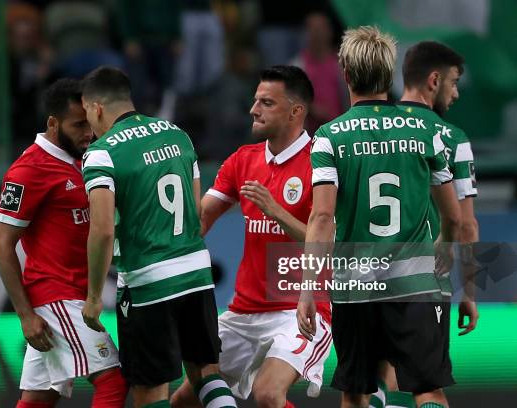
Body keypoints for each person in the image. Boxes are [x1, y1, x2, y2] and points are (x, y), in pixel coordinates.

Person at [298, 26, 462, 408]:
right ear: (391, 76)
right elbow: (452, 216)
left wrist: (307, 289)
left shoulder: (329, 136)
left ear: (346, 75)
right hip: (415, 284)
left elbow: (322, 218)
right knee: (427, 390)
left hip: (356, 287)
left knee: (357, 392)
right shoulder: (426, 130)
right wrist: (444, 247)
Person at [171, 65, 332, 408]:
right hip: (243, 312)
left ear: (296, 111)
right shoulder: (243, 160)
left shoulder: (322, 161)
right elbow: (201, 219)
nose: (253, 109)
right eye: (255, 100)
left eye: (266, 103)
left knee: (268, 394)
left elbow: (332, 246)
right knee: (183, 400)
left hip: (300, 310)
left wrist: (276, 211)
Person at [79, 66, 236, 408]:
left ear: (96, 108)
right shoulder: (178, 134)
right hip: (196, 272)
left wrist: (93, 297)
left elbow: (103, 229)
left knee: (151, 390)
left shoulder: (101, 153)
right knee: (206, 372)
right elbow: (195, 210)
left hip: (148, 282)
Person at [0, 78, 127, 408]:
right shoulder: (28, 171)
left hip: (77, 293)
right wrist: (25, 316)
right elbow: (2, 246)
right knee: (113, 381)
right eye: (77, 125)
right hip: (56, 296)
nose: (87, 132)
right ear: (53, 123)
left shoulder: (85, 158)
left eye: (89, 122)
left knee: (39, 397)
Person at [369, 40, 480, 408]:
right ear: (434, 80)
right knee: (427, 388)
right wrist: (470, 292)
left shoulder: (368, 129)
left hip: (366, 272)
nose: (456, 93)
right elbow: (464, 224)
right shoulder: (451, 139)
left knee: (378, 380)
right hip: (423, 277)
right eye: (454, 82)